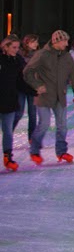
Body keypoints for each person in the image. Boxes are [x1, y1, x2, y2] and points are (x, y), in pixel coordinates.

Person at [22, 30, 74, 165]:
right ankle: (34, 150)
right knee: (44, 124)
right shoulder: (42, 55)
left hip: (60, 95)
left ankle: (61, 151)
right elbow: (27, 71)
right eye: (65, 41)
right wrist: (37, 85)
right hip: (44, 96)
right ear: (57, 41)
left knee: (62, 126)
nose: (67, 44)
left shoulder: (67, 57)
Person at [1, 35, 33, 171]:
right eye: (13, 47)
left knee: (8, 130)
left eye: (17, 47)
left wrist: (34, 91)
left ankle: (7, 157)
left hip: (9, 100)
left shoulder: (18, 60)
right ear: (5, 47)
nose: (16, 50)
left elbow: (21, 81)